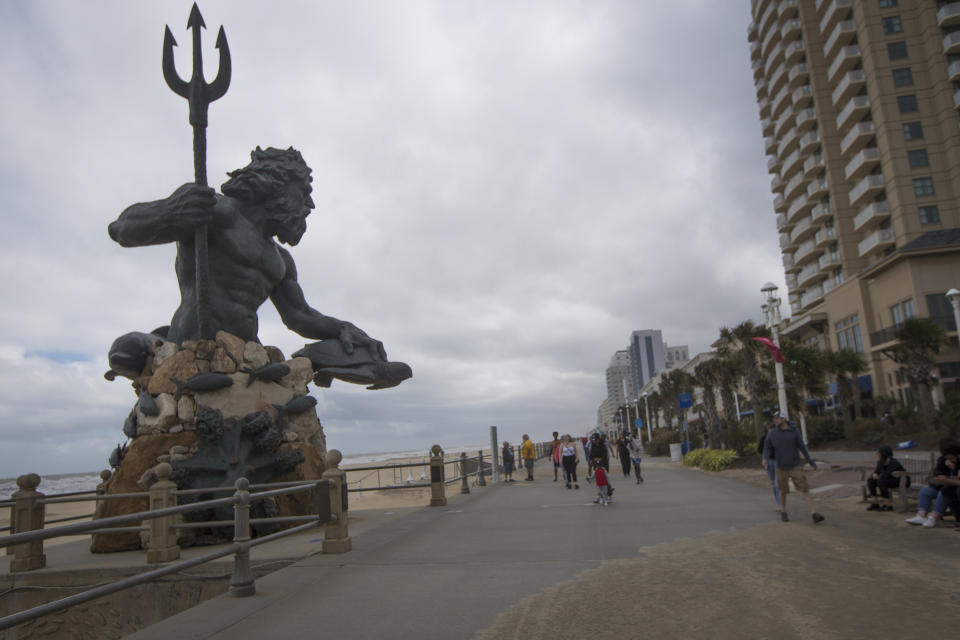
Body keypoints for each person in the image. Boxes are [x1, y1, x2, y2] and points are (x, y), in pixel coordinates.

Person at [106, 147, 410, 389]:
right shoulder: (217, 211)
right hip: (193, 349)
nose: (309, 205)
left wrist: (344, 328)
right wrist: (170, 211)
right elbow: (122, 228)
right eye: (302, 193)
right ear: (275, 185)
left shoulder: (280, 259)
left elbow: (300, 316)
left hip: (247, 354)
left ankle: (339, 367)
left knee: (342, 354)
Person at [762, 413, 824, 524]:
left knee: (804, 488)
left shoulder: (794, 432)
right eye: (774, 419)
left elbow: (802, 447)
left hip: (795, 465)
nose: (775, 420)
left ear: (783, 419)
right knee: (783, 490)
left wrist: (810, 461)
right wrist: (765, 458)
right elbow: (766, 447)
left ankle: (814, 513)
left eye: (777, 418)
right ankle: (784, 511)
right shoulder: (772, 433)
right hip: (780, 467)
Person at [906, 440, 960, 528]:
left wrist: (952, 470)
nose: (949, 459)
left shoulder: (956, 460)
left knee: (944, 492)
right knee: (925, 491)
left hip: (950, 485)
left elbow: (955, 478)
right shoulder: (943, 459)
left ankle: (934, 517)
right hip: (942, 483)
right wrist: (940, 475)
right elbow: (937, 471)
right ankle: (921, 515)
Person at [865, 445, 907, 511]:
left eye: (879, 453)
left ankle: (888, 504)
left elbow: (887, 474)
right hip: (888, 480)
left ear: (884, 454)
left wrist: (878, 475)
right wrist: (874, 474)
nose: (877, 455)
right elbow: (877, 471)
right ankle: (875, 503)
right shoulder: (880, 462)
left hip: (900, 480)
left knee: (880, 481)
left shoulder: (894, 463)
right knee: (871, 480)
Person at [757, 430, 780, 511]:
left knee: (775, 483)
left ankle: (780, 504)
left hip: (771, 462)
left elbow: (760, 450)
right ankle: (779, 503)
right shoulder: (775, 437)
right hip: (770, 462)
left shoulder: (765, 437)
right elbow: (760, 449)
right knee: (775, 483)